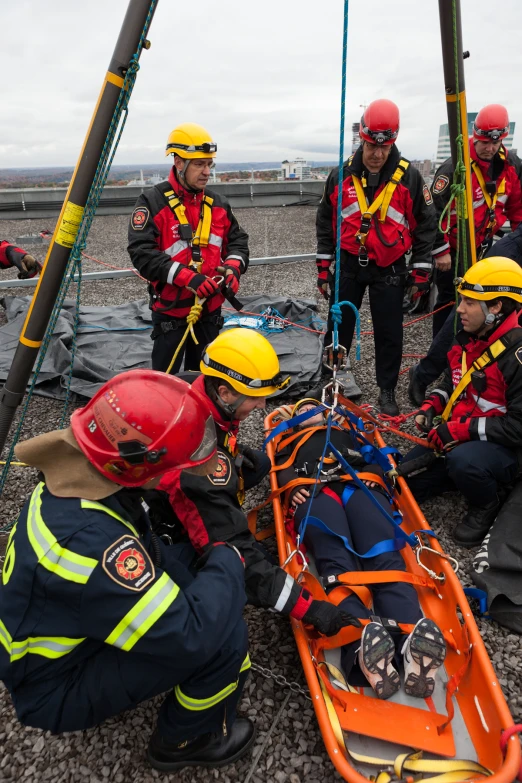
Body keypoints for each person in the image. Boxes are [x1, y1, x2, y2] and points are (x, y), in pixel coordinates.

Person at [0, 370, 257, 772]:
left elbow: (151, 550)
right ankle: (183, 740)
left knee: (190, 569)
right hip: (52, 687)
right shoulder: (97, 547)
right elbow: (191, 634)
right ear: (136, 467)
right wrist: (229, 557)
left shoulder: (73, 477)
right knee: (224, 638)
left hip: (64, 631)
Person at [156, 328, 362, 637]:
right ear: (225, 392)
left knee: (259, 463)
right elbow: (233, 546)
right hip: (158, 528)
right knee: (222, 617)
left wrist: (233, 452)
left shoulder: (194, 384)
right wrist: (308, 608)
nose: (264, 405)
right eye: (257, 396)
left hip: (176, 483)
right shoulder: (198, 462)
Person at [273, 394, 446, 699]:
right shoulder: (288, 442)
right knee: (337, 565)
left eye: (317, 406)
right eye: (304, 408)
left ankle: (409, 640)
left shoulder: (346, 432)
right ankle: (359, 643)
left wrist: (377, 478)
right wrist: (293, 487)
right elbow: (279, 472)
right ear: (294, 419)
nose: (312, 409)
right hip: (315, 493)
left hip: (357, 485)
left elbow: (376, 458)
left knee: (385, 556)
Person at [316, 99, 437, 416]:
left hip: (390, 268)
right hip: (349, 264)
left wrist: (421, 272)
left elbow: (425, 224)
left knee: (389, 333)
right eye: (371, 146)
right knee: (338, 327)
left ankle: (387, 392)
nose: (378, 154)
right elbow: (326, 222)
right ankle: (332, 382)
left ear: (393, 142)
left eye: (385, 147)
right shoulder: (340, 176)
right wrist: (323, 267)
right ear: (362, 138)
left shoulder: (408, 176)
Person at [403, 258, 522, 547]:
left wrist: (459, 431)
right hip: (472, 431)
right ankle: (457, 473)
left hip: (511, 446)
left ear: (496, 307)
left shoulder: (516, 356)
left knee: (463, 462)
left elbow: (518, 428)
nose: (460, 309)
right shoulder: (472, 336)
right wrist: (433, 405)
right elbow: (454, 381)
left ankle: (487, 503)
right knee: (405, 478)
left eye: (470, 302)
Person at [408, 105, 522, 406]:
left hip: (485, 251)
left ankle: (453, 371)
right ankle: (435, 369)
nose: (490, 147)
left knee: (475, 314)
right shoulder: (454, 169)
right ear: (475, 136)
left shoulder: (510, 166)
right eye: (485, 141)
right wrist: (442, 252)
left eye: (496, 141)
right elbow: (431, 214)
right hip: (455, 253)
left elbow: (517, 209)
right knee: (451, 309)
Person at [127, 123, 249, 374]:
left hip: (209, 313)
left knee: (206, 385)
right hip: (171, 315)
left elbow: (238, 241)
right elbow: (142, 253)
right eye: (199, 164)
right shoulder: (152, 202)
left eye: (209, 164)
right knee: (164, 386)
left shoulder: (218, 204)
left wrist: (234, 269)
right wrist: (187, 277)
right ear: (178, 162)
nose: (207, 172)